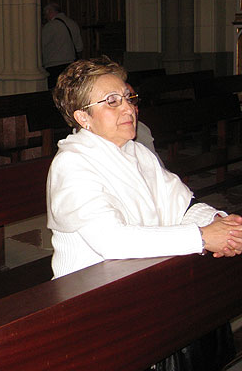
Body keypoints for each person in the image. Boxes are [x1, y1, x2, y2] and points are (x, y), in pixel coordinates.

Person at [48, 57, 242, 369]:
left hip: (142, 281)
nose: (128, 108)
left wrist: (221, 225)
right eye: (112, 101)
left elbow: (183, 206)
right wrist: (203, 237)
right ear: (83, 117)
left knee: (207, 305)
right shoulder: (72, 165)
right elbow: (113, 241)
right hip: (95, 300)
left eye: (129, 98)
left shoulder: (137, 151)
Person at [41, 3, 83, 88]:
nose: (45, 17)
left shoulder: (50, 26)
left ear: (49, 12)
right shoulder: (72, 23)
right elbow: (79, 47)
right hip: (70, 64)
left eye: (45, 14)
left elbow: (41, 44)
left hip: (53, 66)